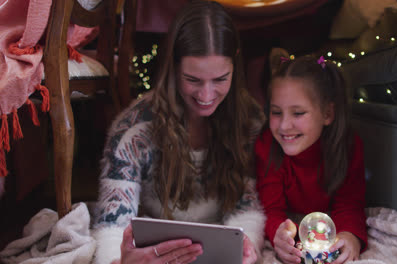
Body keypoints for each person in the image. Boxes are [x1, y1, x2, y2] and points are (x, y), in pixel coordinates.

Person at [92, 1, 266, 264]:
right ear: (173, 67)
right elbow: (112, 225)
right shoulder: (133, 130)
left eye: (220, 79)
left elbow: (249, 207)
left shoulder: (250, 121)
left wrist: (248, 248)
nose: (206, 96)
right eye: (193, 80)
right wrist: (120, 260)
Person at [255, 55, 367, 264]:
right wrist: (278, 235)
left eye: (298, 113)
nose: (284, 126)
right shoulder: (267, 146)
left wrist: (350, 236)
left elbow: (349, 204)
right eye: (276, 112)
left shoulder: (347, 147)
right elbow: (270, 210)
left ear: (327, 114)